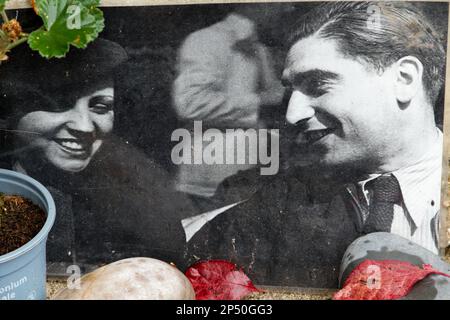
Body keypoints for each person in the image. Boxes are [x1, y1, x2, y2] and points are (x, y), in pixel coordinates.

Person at [183, 2, 447, 288]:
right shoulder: (270, 203)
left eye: (318, 85)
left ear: (404, 79)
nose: (292, 114)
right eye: (291, 91)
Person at [0, 39, 194, 269]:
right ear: (11, 107)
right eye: (59, 103)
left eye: (101, 107)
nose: (85, 127)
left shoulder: (135, 190)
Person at [172, 4, 287, 213]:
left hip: (251, 176)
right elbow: (190, 104)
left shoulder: (260, 49)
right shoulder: (205, 40)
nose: (288, 9)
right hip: (213, 182)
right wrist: (261, 101)